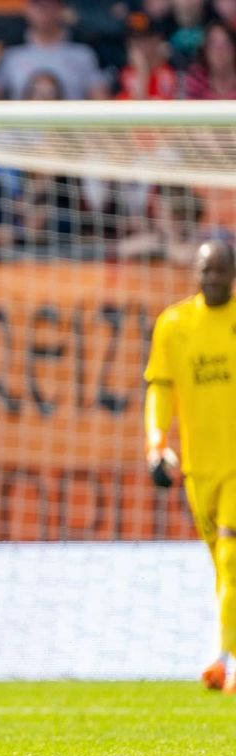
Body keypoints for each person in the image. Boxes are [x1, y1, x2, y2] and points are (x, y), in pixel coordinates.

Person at [144, 240, 236, 693]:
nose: (212, 278)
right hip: (200, 469)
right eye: (205, 270)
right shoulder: (175, 324)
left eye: (220, 271)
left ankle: (225, 660)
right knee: (222, 567)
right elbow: (160, 389)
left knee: (231, 554)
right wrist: (157, 445)